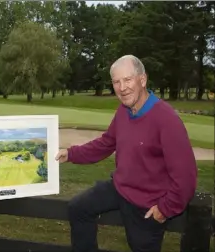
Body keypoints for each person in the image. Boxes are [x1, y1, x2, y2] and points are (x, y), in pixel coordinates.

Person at [55, 55, 197, 252]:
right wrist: (71, 154)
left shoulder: (167, 120)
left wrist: (164, 210)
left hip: (148, 204)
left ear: (142, 79)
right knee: (78, 208)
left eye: (128, 80)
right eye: (116, 82)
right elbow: (106, 144)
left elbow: (186, 178)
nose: (122, 87)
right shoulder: (124, 111)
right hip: (120, 188)